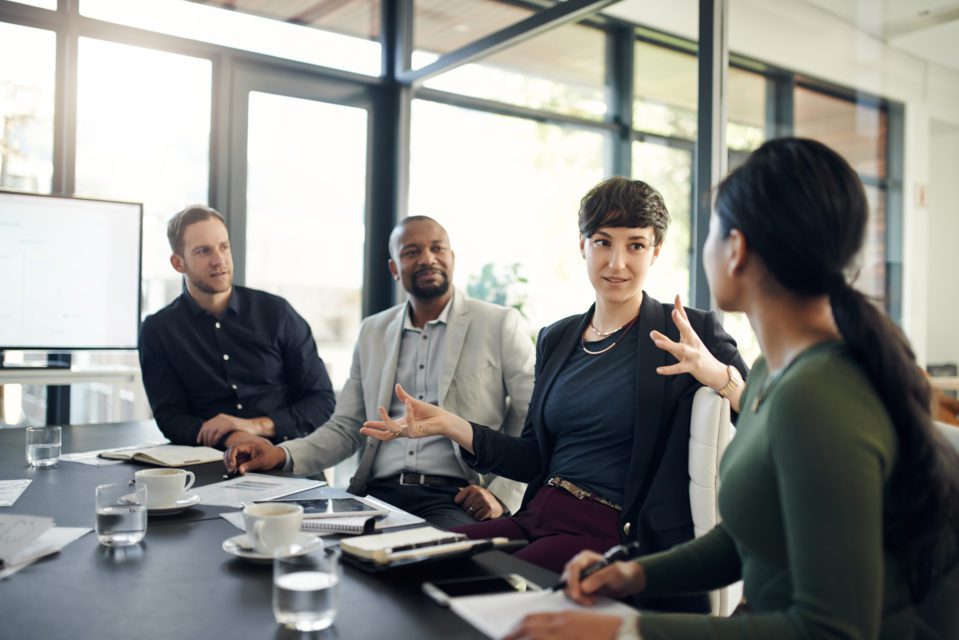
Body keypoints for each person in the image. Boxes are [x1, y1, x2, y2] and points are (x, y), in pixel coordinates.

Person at [506, 138, 959, 640]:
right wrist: (635, 572)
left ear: (736, 249)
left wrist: (626, 631)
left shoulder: (821, 398)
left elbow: (830, 631)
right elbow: (744, 537)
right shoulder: (772, 370)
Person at [361, 178, 748, 613]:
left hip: (608, 532)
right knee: (402, 558)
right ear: (582, 245)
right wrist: (451, 425)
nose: (617, 262)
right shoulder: (557, 338)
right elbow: (533, 457)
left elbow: (763, 414)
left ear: (655, 251)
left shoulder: (688, 331)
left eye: (636, 245)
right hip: (537, 516)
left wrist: (718, 375)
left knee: (475, 595)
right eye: (603, 242)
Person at [225, 216, 535, 529]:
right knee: (293, 541)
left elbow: (532, 420)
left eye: (437, 248)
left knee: (436, 565)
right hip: (377, 495)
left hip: (456, 497)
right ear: (394, 269)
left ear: (452, 258)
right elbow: (346, 428)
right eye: (411, 252)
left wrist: (502, 494)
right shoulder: (373, 331)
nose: (427, 258)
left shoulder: (499, 325)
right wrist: (278, 454)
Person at [139, 205, 336, 449]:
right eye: (203, 251)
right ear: (178, 263)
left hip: (287, 457)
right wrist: (234, 438)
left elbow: (322, 401)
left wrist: (256, 426)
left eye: (224, 247)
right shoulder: (158, 330)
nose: (219, 260)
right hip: (210, 463)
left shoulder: (277, 313)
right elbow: (171, 417)